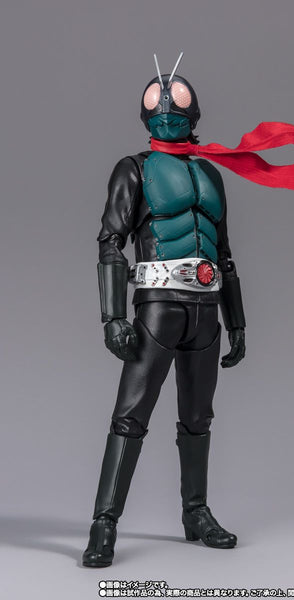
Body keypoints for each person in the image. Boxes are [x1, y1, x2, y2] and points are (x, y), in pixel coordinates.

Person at [82, 54, 246, 568]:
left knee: (198, 418)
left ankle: (195, 512)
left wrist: (237, 320)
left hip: (206, 309)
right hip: (157, 307)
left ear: (195, 113)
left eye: (178, 99)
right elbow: (111, 241)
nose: (169, 104)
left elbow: (224, 254)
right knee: (130, 417)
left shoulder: (211, 174)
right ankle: (103, 524)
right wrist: (112, 316)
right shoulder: (134, 169)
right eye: (159, 98)